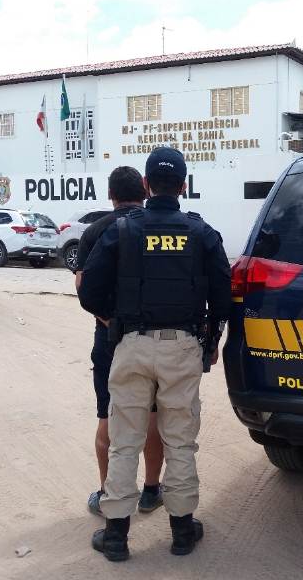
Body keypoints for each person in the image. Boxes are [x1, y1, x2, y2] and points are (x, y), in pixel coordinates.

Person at [78, 147, 231, 561]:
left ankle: (116, 537)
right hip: (183, 347)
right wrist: (212, 341)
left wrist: (117, 322)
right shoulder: (202, 233)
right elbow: (223, 297)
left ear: (147, 186)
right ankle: (182, 532)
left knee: (124, 441)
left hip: (131, 345)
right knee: (180, 441)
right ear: (183, 186)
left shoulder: (122, 230)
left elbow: (89, 292)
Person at [74, 166, 165, 517]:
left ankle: (107, 493)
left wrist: (109, 320)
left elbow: (83, 287)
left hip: (110, 338)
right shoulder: (156, 226)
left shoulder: (95, 231)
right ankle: (151, 490)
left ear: (110, 194)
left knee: (109, 414)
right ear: (144, 189)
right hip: (153, 335)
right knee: (152, 413)